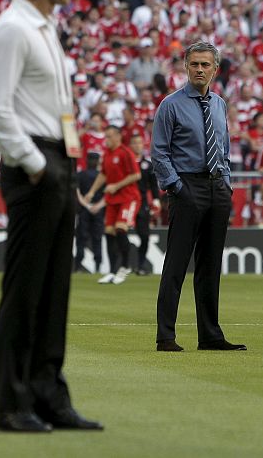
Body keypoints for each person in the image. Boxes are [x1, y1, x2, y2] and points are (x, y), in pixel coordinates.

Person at [0, 0, 102, 434]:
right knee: (26, 290)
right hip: (36, 162)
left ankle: (48, 395)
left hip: (57, 158)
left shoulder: (44, 27)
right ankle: (11, 403)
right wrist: (36, 165)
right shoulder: (13, 28)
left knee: (54, 290)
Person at [151, 41, 246, 352]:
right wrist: (177, 188)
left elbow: (225, 148)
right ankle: (166, 336)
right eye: (194, 64)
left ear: (215, 69)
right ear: (186, 67)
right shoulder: (170, 105)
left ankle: (210, 336)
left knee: (210, 266)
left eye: (206, 65)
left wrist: (226, 184)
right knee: (176, 264)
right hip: (187, 186)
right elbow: (159, 153)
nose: (200, 70)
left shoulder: (219, 105)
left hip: (217, 187)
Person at [83, 125, 141, 285]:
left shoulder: (125, 152)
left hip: (128, 198)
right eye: (105, 136)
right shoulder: (107, 154)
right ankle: (112, 271)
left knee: (120, 229)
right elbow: (103, 174)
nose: (106, 140)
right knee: (109, 233)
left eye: (109, 136)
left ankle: (125, 266)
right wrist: (91, 192)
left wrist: (116, 185)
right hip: (112, 199)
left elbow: (136, 175)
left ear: (118, 136)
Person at [129, 132, 160, 275]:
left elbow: (153, 185)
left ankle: (140, 265)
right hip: (126, 202)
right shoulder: (126, 162)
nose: (137, 146)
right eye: (135, 143)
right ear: (130, 145)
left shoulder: (147, 165)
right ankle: (121, 265)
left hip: (142, 204)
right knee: (120, 234)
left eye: (140, 143)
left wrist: (156, 200)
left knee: (145, 236)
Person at [75, 152, 105, 274]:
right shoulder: (102, 176)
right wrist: (97, 206)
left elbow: (77, 192)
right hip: (97, 209)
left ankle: (78, 266)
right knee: (97, 238)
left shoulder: (80, 175)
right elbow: (107, 194)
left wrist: (86, 205)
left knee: (82, 238)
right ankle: (97, 266)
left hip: (84, 209)